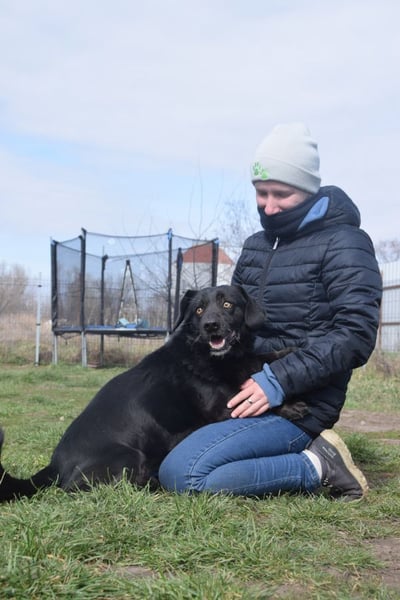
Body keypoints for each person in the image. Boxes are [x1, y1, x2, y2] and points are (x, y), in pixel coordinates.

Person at [159, 122, 382, 501]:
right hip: (242, 391)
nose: (269, 206)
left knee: (185, 474)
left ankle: (318, 465)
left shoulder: (345, 243)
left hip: (300, 405)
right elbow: (232, 325)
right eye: (261, 193)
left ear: (309, 190)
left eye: (282, 194)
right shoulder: (255, 246)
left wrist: (278, 380)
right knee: (161, 442)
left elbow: (355, 335)